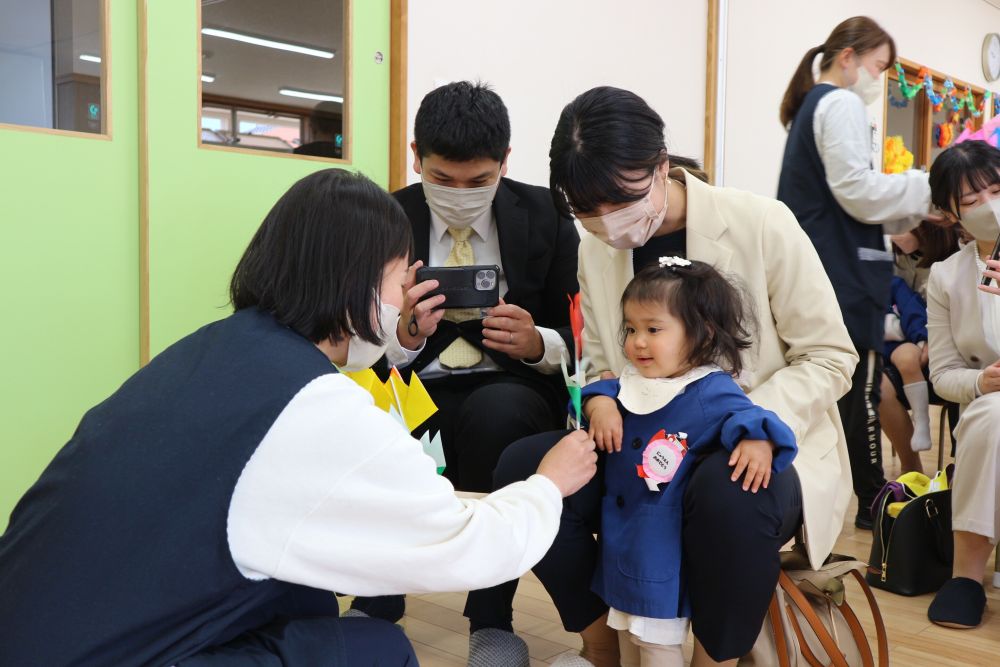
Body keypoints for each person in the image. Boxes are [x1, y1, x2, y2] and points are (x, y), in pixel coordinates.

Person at [0, 169, 599, 666]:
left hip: (40, 628)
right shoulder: (311, 407)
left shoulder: (207, 351)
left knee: (305, 600)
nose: (403, 300)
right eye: (399, 281)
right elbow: (469, 546)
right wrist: (547, 483)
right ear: (356, 285)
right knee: (376, 651)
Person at [464, 86, 857, 667]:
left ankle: (717, 657)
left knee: (728, 494)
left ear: (662, 167)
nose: (607, 222)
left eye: (619, 200)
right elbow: (601, 358)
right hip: (645, 441)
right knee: (527, 468)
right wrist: (598, 399)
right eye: (585, 211)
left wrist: (752, 422)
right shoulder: (596, 250)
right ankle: (599, 638)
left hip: (751, 442)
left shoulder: (761, 224)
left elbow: (829, 355)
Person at [582, 259, 797, 667]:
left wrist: (755, 439)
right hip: (619, 547)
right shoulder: (632, 383)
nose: (637, 342)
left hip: (659, 557)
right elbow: (601, 388)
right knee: (629, 643)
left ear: (702, 333)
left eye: (653, 329)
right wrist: (600, 404)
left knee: (656, 649)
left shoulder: (707, 388)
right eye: (631, 329)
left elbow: (748, 414)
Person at [777, 16, 936, 529]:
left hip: (822, 269)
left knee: (835, 393)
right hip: (843, 275)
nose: (878, 80)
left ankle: (854, 498)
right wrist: (927, 185)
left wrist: (909, 203)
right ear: (848, 57)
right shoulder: (839, 102)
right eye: (878, 66)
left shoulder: (808, 109)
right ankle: (874, 502)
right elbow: (857, 191)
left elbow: (851, 198)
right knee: (859, 390)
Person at [385, 81, 579, 493]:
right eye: (442, 178)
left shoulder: (548, 215)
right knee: (409, 425)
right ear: (416, 156)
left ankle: (490, 543)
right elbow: (350, 332)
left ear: (505, 161)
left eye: (478, 182)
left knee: (497, 413)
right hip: (415, 382)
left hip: (512, 385)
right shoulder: (385, 219)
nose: (459, 195)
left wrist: (537, 344)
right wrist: (404, 336)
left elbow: (586, 333)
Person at [924, 140, 1000, 629]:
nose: (988, 207)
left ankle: (968, 574)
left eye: (996, 190)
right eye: (971, 201)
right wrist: (981, 381)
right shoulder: (946, 276)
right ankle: (967, 576)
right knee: (992, 417)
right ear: (950, 213)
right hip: (990, 403)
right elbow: (944, 374)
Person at [879, 223, 961, 474]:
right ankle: (911, 466)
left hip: (951, 354)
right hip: (903, 348)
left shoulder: (956, 259)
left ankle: (962, 472)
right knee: (875, 386)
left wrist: (928, 342)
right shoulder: (889, 260)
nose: (896, 234)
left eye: (906, 227)